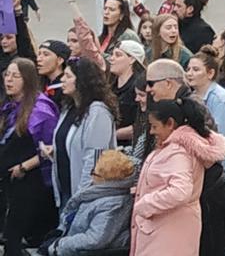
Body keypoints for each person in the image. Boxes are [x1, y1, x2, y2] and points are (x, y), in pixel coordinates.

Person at [130, 97, 225, 256]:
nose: (151, 132)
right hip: (171, 230)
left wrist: (146, 203)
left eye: (155, 126)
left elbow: (180, 191)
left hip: (166, 234)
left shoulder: (177, 152)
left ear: (170, 123)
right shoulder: (179, 148)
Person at [185, 45, 225, 256]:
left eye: (196, 69)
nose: (190, 74)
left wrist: (221, 175)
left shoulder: (221, 101)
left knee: (222, 229)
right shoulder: (195, 97)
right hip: (208, 175)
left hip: (224, 178)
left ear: (210, 73)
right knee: (220, 229)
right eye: (189, 69)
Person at [0, 58, 60, 256]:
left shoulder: (41, 108)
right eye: (7, 74)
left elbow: (51, 148)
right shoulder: (9, 106)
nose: (9, 80)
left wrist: (24, 167)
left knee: (15, 236)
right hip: (9, 182)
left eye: (15, 76)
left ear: (28, 79)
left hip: (32, 182)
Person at [48, 57, 118, 208]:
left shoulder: (98, 112)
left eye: (68, 76)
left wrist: (81, 197)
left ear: (82, 81)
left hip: (85, 196)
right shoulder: (69, 108)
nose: (62, 80)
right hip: (66, 189)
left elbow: (94, 159)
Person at [43, 149, 136, 255]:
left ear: (105, 179)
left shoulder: (114, 204)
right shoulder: (100, 193)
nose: (91, 177)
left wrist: (60, 244)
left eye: (94, 172)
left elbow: (95, 240)